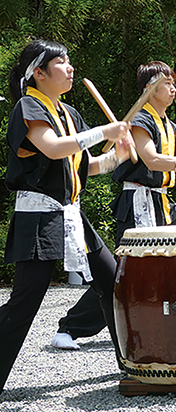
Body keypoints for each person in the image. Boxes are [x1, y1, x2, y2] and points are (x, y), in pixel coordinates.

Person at [50, 61, 176, 350]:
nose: (173, 88)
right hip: (137, 203)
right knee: (128, 272)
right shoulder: (139, 122)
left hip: (163, 203)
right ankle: (70, 327)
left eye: (173, 83)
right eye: (166, 83)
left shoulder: (173, 129)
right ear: (149, 89)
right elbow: (152, 160)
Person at [0, 39, 133, 393]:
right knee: (24, 304)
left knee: (114, 283)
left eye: (70, 61)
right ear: (38, 73)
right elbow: (54, 148)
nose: (70, 68)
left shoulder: (69, 114)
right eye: (61, 62)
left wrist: (117, 155)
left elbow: (86, 166)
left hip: (72, 215)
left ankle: (135, 364)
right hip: (39, 217)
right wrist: (104, 132)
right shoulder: (28, 106)